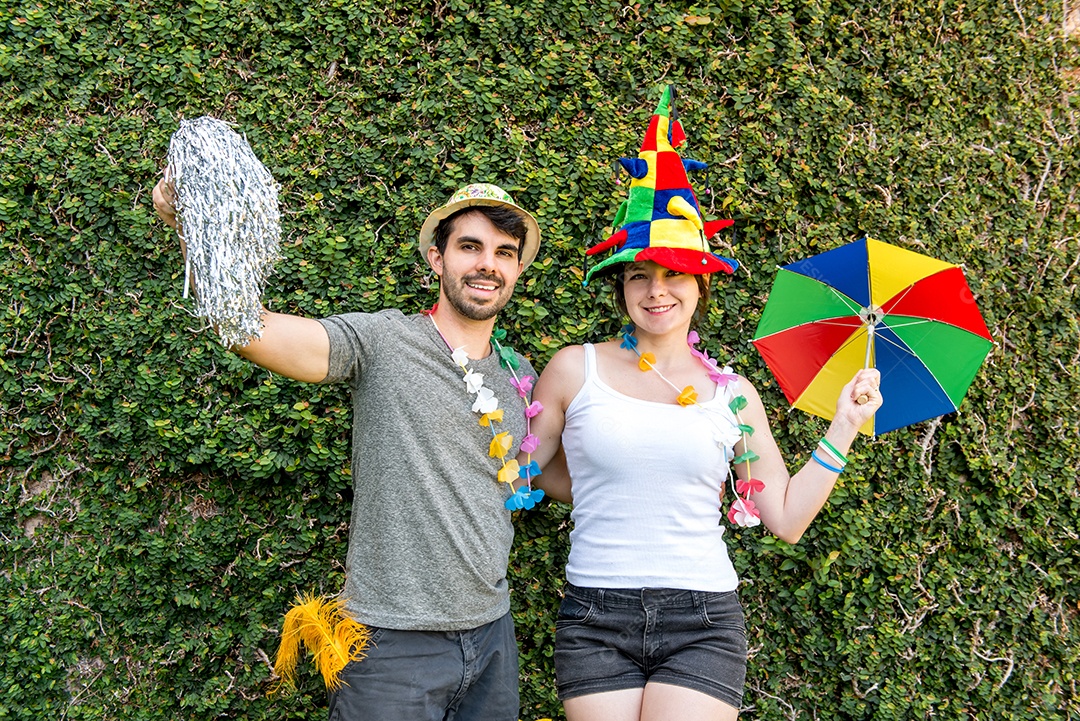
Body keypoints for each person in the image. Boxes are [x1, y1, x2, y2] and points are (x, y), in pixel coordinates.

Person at [517, 88, 883, 721]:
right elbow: (525, 473)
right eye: (639, 276)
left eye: (675, 275)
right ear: (622, 287)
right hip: (595, 612)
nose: (656, 290)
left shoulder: (732, 396)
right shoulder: (575, 369)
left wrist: (846, 424)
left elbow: (787, 518)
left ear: (700, 283)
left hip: (703, 618)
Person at [153, 177, 543, 721]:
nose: (488, 265)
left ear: (518, 269)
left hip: (492, 635)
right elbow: (245, 328)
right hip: (392, 642)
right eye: (469, 247)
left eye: (504, 252)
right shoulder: (382, 342)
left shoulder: (520, 375)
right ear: (437, 257)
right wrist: (194, 227)